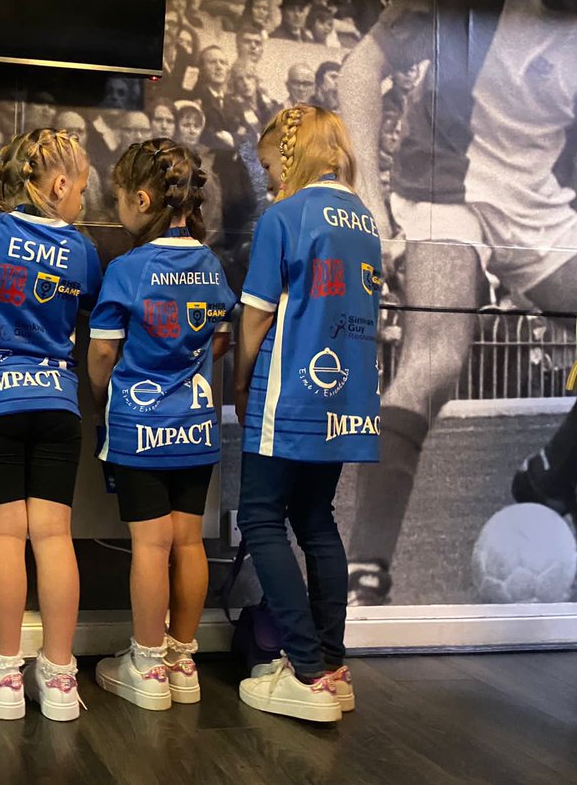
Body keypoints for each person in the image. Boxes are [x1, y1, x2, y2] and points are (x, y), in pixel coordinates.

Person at [338, 0, 577, 603]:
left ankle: (551, 478)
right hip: (446, 189)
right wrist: (372, 209)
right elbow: (362, 69)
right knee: (437, 360)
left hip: (543, 206)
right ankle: (367, 570)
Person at [234, 106, 382, 723]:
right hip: (345, 399)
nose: (267, 178)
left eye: (270, 164)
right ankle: (331, 664)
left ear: (292, 157)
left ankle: (306, 670)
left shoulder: (285, 215)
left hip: (287, 395)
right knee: (316, 520)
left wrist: (240, 383)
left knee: (262, 519)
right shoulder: (366, 220)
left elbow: (258, 315)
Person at [0, 128, 101, 722]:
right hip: (58, 405)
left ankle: (3, 677)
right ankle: (61, 680)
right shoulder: (84, 251)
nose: (84, 201)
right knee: (54, 538)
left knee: (6, 538)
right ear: (58, 184)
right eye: (83, 188)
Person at [88, 140, 234, 711]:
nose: (117, 207)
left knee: (150, 546)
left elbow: (102, 355)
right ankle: (181, 661)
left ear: (143, 199)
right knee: (190, 541)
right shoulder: (209, 262)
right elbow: (220, 337)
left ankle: (146, 668)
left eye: (120, 198)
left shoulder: (125, 269)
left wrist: (105, 396)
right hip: (196, 423)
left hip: (139, 425)